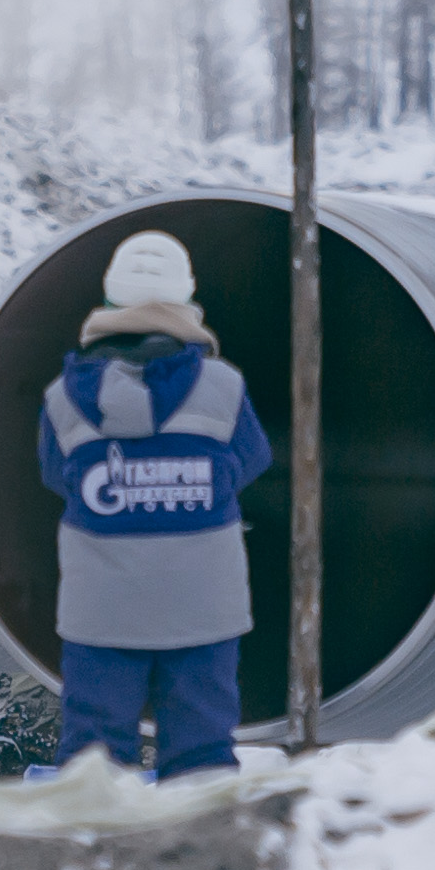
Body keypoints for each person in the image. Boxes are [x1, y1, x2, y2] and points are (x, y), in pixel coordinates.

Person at [39, 228, 274, 777]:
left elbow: (56, 476)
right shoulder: (225, 386)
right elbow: (252, 461)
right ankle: (198, 854)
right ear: (186, 299)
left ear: (109, 298)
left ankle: (92, 855)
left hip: (101, 607)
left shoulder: (60, 398)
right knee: (201, 751)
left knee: (93, 757)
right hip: (202, 605)